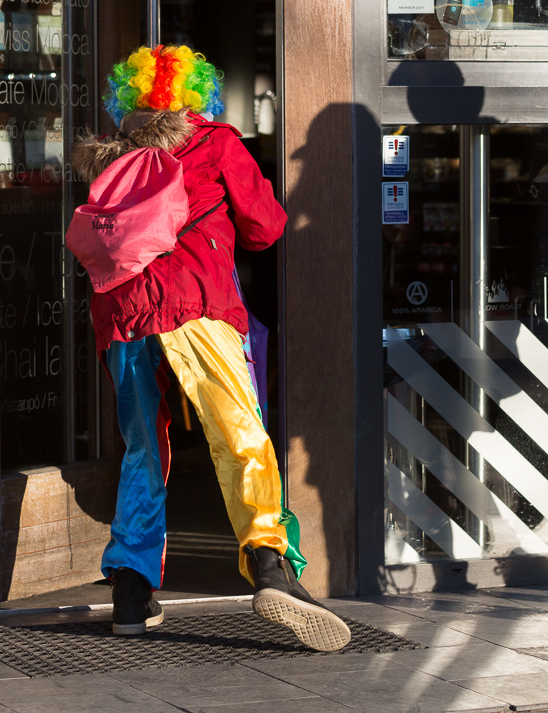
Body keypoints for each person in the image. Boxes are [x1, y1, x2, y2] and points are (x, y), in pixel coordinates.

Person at [69, 45, 350, 652]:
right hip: (196, 305)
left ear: (131, 100)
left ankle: (130, 591)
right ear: (195, 96)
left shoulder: (111, 157)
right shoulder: (215, 141)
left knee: (145, 448)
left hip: (121, 318)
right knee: (239, 436)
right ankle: (271, 566)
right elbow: (265, 227)